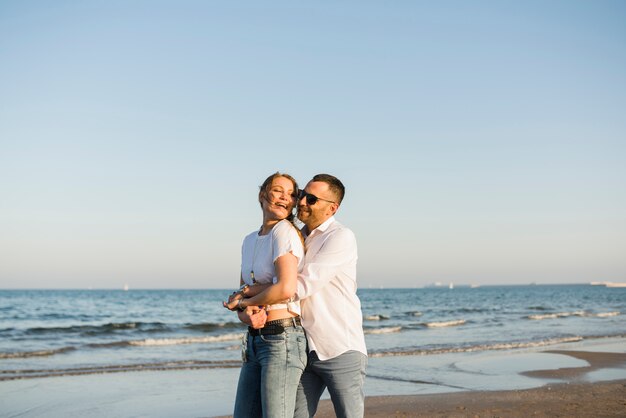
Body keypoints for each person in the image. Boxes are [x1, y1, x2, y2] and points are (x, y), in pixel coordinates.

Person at [238, 174, 368, 418]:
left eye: (311, 198)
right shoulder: (296, 235)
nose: (302, 203)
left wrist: (246, 293)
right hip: (304, 346)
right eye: (301, 195)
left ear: (332, 208)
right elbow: (280, 283)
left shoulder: (340, 236)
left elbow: (299, 286)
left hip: (339, 347)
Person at [223, 172, 307, 418]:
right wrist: (245, 314)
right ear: (262, 195)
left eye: (291, 194)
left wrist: (246, 300)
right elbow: (241, 293)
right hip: (253, 341)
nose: (285, 197)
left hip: (282, 338)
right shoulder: (249, 240)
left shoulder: (284, 232)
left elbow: (285, 288)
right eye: (278, 190)